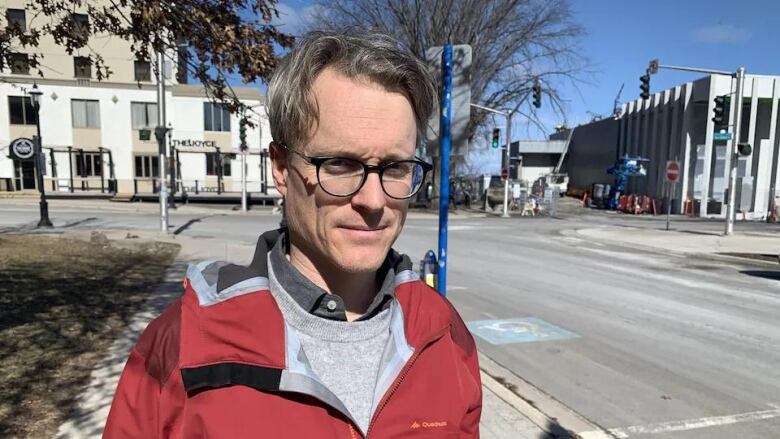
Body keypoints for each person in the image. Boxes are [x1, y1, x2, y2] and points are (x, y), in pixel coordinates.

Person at [104, 31, 482, 438]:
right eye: (340, 164)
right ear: (281, 169)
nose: (374, 201)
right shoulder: (182, 348)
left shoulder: (444, 334)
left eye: (394, 168)